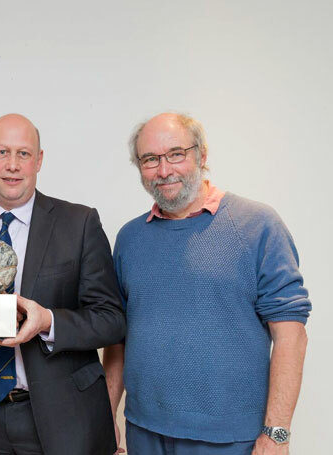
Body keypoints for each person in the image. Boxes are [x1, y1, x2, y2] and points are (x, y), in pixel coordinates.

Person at [104, 112, 311, 455]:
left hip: (232, 439)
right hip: (144, 432)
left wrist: (276, 434)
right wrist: (105, 414)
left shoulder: (257, 225)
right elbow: (118, 339)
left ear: (201, 155)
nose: (164, 169)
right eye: (150, 159)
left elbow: (291, 334)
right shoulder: (130, 238)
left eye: (176, 154)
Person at [0, 113, 126, 455]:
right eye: (2, 152)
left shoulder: (79, 223)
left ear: (38, 161)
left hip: (63, 417)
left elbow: (111, 319)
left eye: (23, 154)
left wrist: (48, 322)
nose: (12, 165)